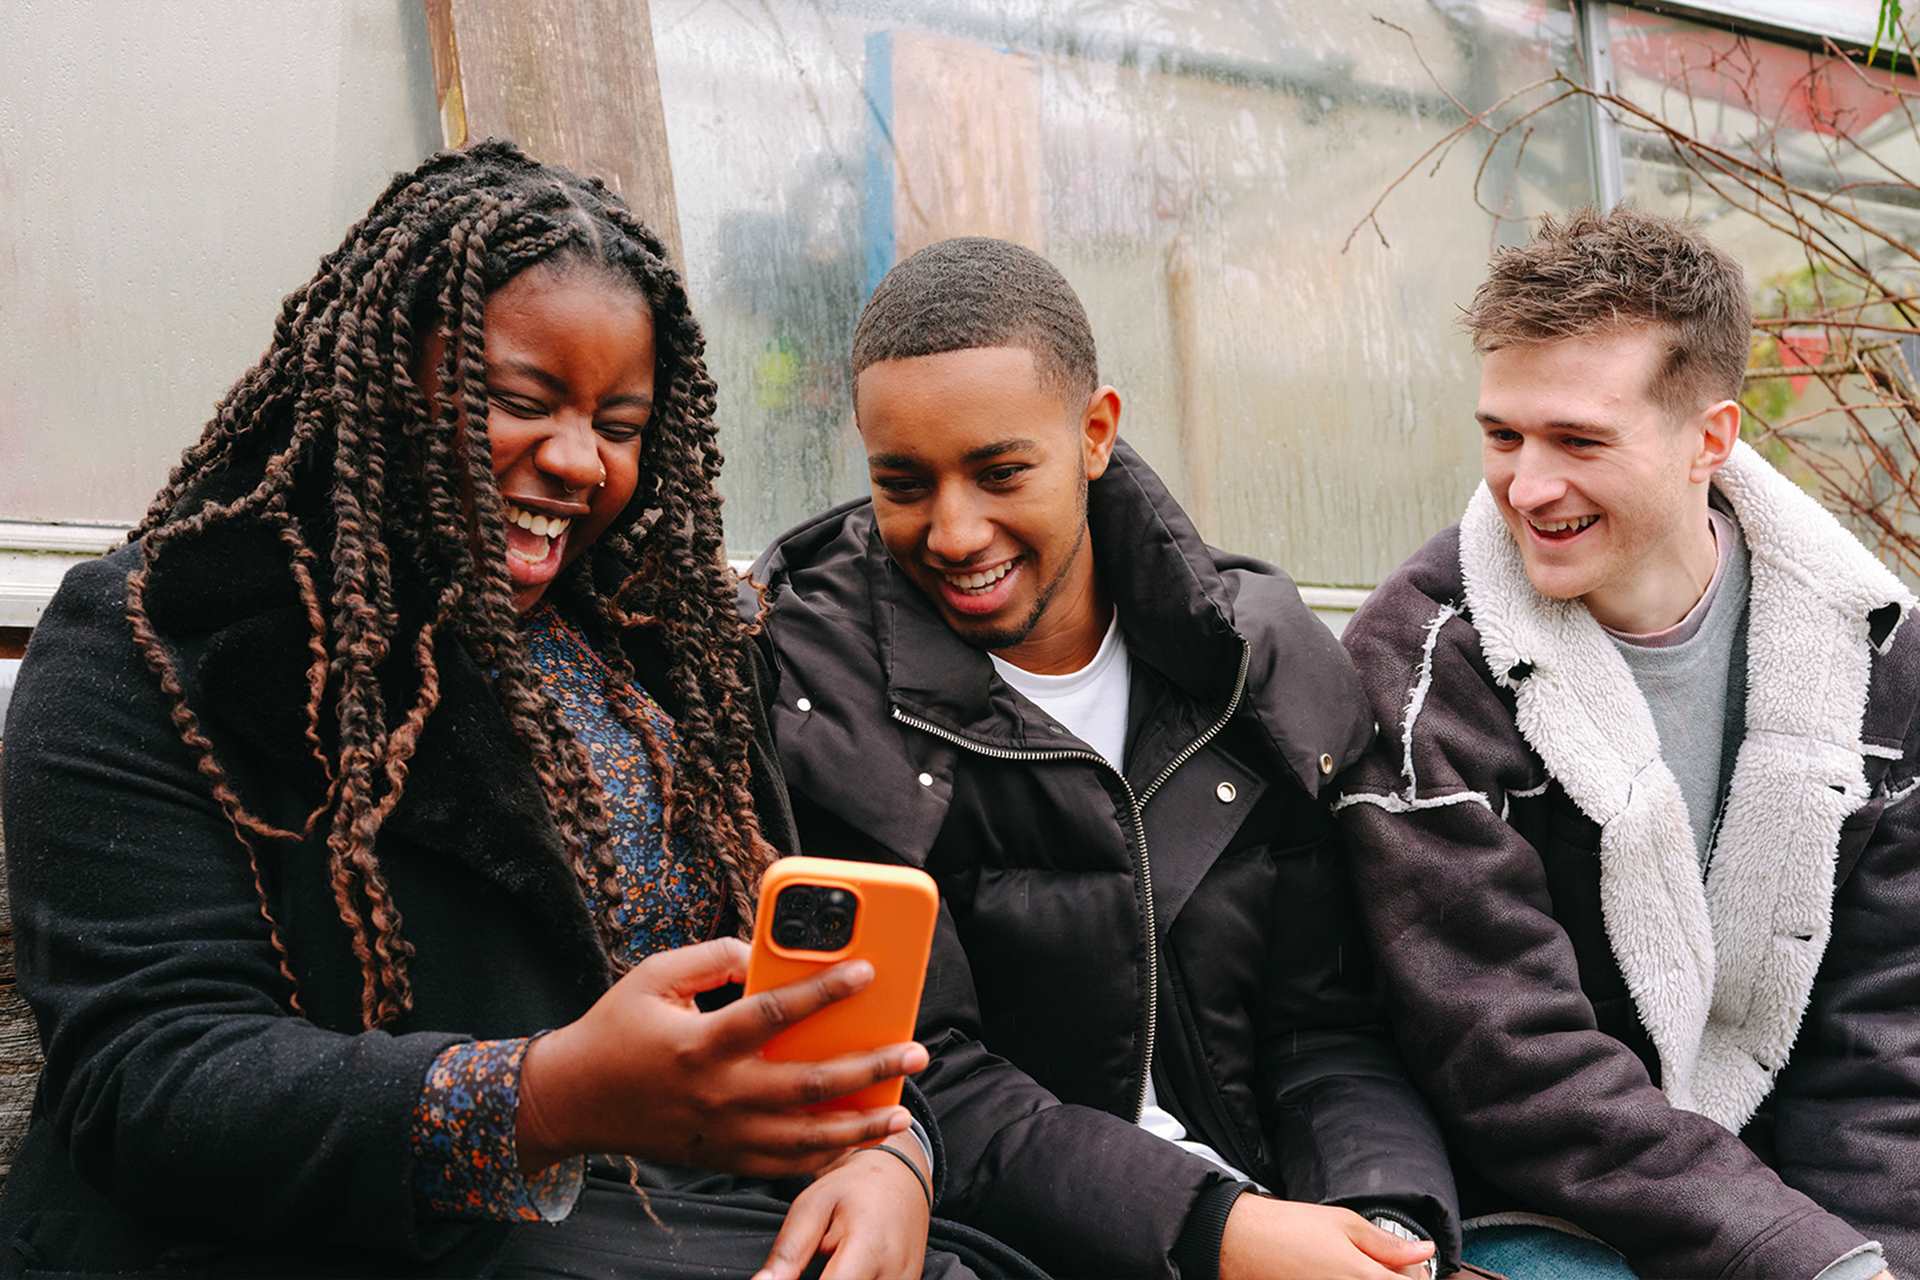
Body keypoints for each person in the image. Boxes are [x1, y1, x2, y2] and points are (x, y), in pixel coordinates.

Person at [0, 141, 1045, 1280]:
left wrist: (888, 1154)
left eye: (621, 423)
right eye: (516, 400)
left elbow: (855, 1013)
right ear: (379, 371)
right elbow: (147, 1079)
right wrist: (538, 1098)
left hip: (692, 1224)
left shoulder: (672, 649)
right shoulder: (160, 638)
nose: (577, 460)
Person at [747, 237, 1460, 1280]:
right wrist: (1219, 1229)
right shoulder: (815, 693)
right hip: (1007, 1243)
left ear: (1094, 431)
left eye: (999, 471)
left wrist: (1383, 1228)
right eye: (903, 481)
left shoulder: (1249, 665)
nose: (952, 530)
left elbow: (1325, 1026)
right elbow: (912, 1076)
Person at [1336, 206, 1918, 1279]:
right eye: (1504, 435)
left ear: (1711, 437)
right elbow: (1511, 1064)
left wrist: (1869, 1257)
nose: (1527, 485)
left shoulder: (1877, 659)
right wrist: (1805, 1258)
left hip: (1799, 1192)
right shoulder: (1425, 669)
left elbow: (1885, 1037)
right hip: (1534, 1211)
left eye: (1579, 440)